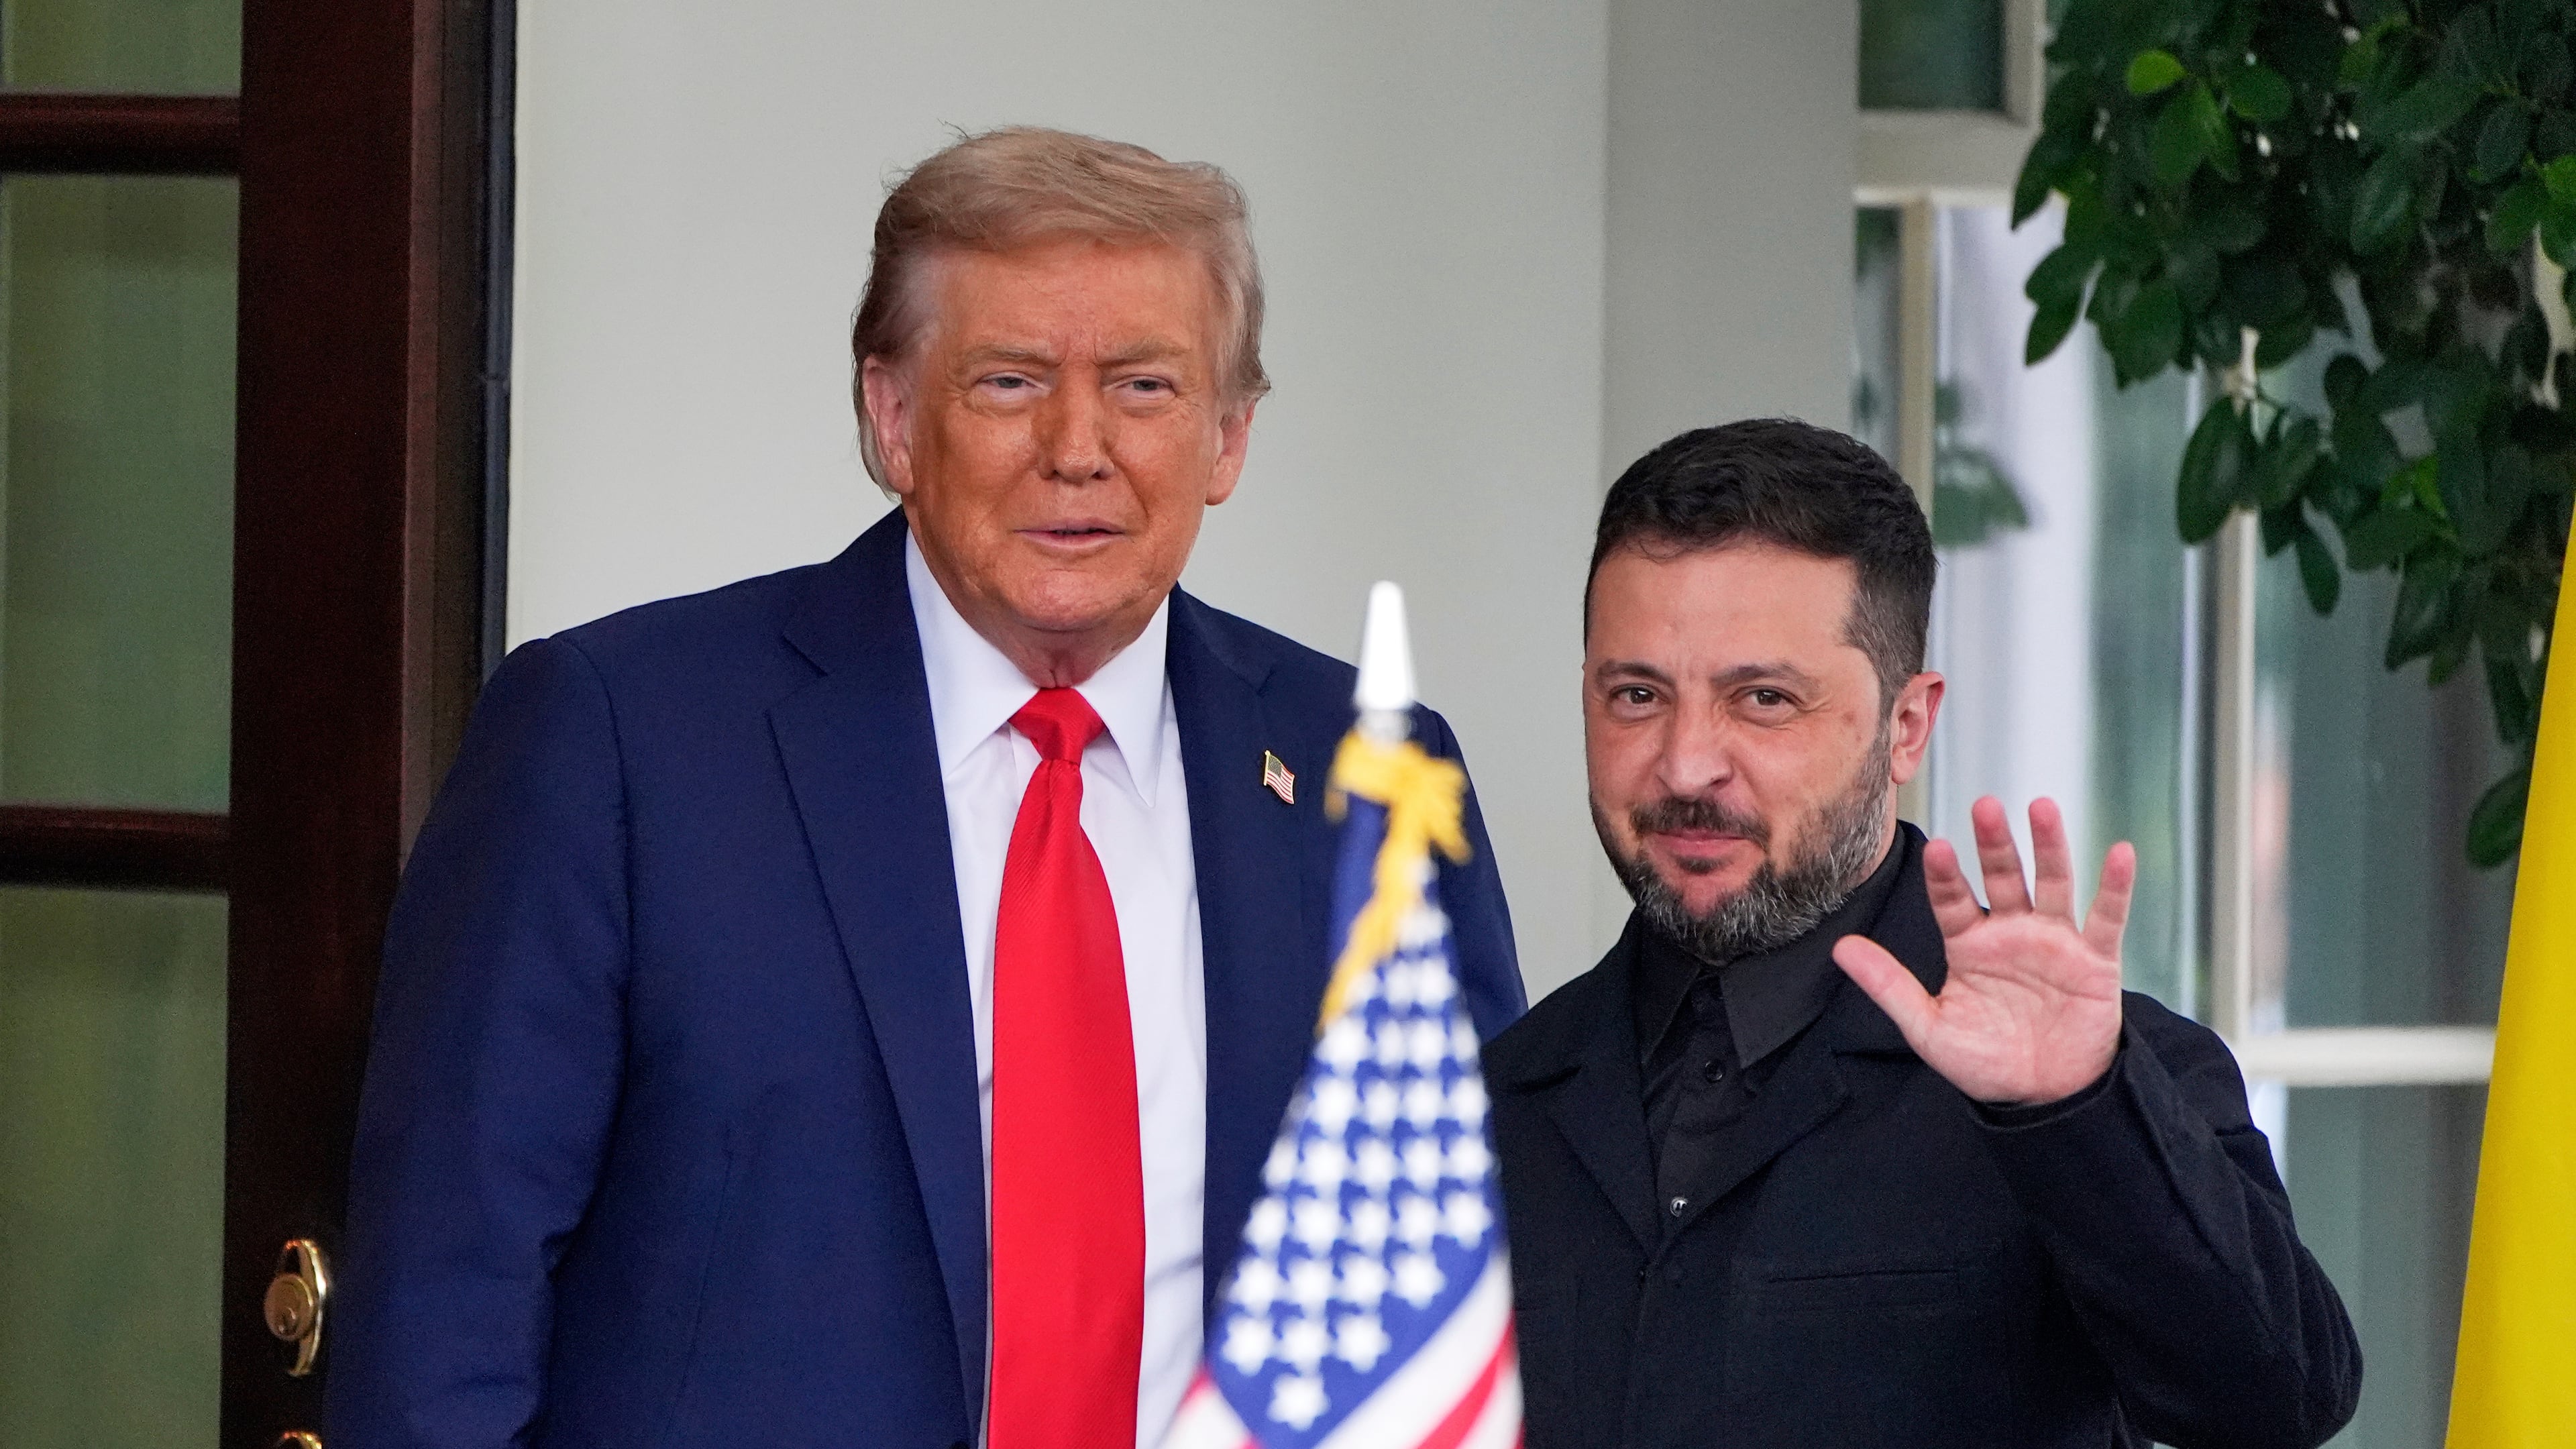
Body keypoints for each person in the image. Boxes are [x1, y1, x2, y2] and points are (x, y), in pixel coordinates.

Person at [327, 127, 1525, 1449]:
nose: (1079, 448)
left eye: (1144, 387)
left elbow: (1462, 1285)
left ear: (1229, 439)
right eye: (1010, 382)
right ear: (892, 420)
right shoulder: (621, 738)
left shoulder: (1371, 769)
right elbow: (449, 1299)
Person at [1487, 419, 2360, 1448]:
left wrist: (2078, 1114)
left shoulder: (2081, 1079)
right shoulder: (1498, 1095)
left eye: (1762, 700)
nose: (1686, 767)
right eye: (1636, 696)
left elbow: (2276, 1398)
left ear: (1907, 726)